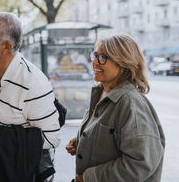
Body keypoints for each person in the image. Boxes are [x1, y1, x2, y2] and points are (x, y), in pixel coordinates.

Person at [0, 12, 61, 181]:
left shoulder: (33, 82)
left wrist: (0, 135)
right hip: (2, 171)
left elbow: (52, 138)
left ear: (6, 46)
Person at [65, 34, 165, 182]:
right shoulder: (102, 93)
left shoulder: (130, 104)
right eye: (95, 55)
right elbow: (111, 136)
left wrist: (89, 178)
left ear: (123, 62)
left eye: (102, 57)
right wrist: (84, 140)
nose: (94, 62)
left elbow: (139, 164)